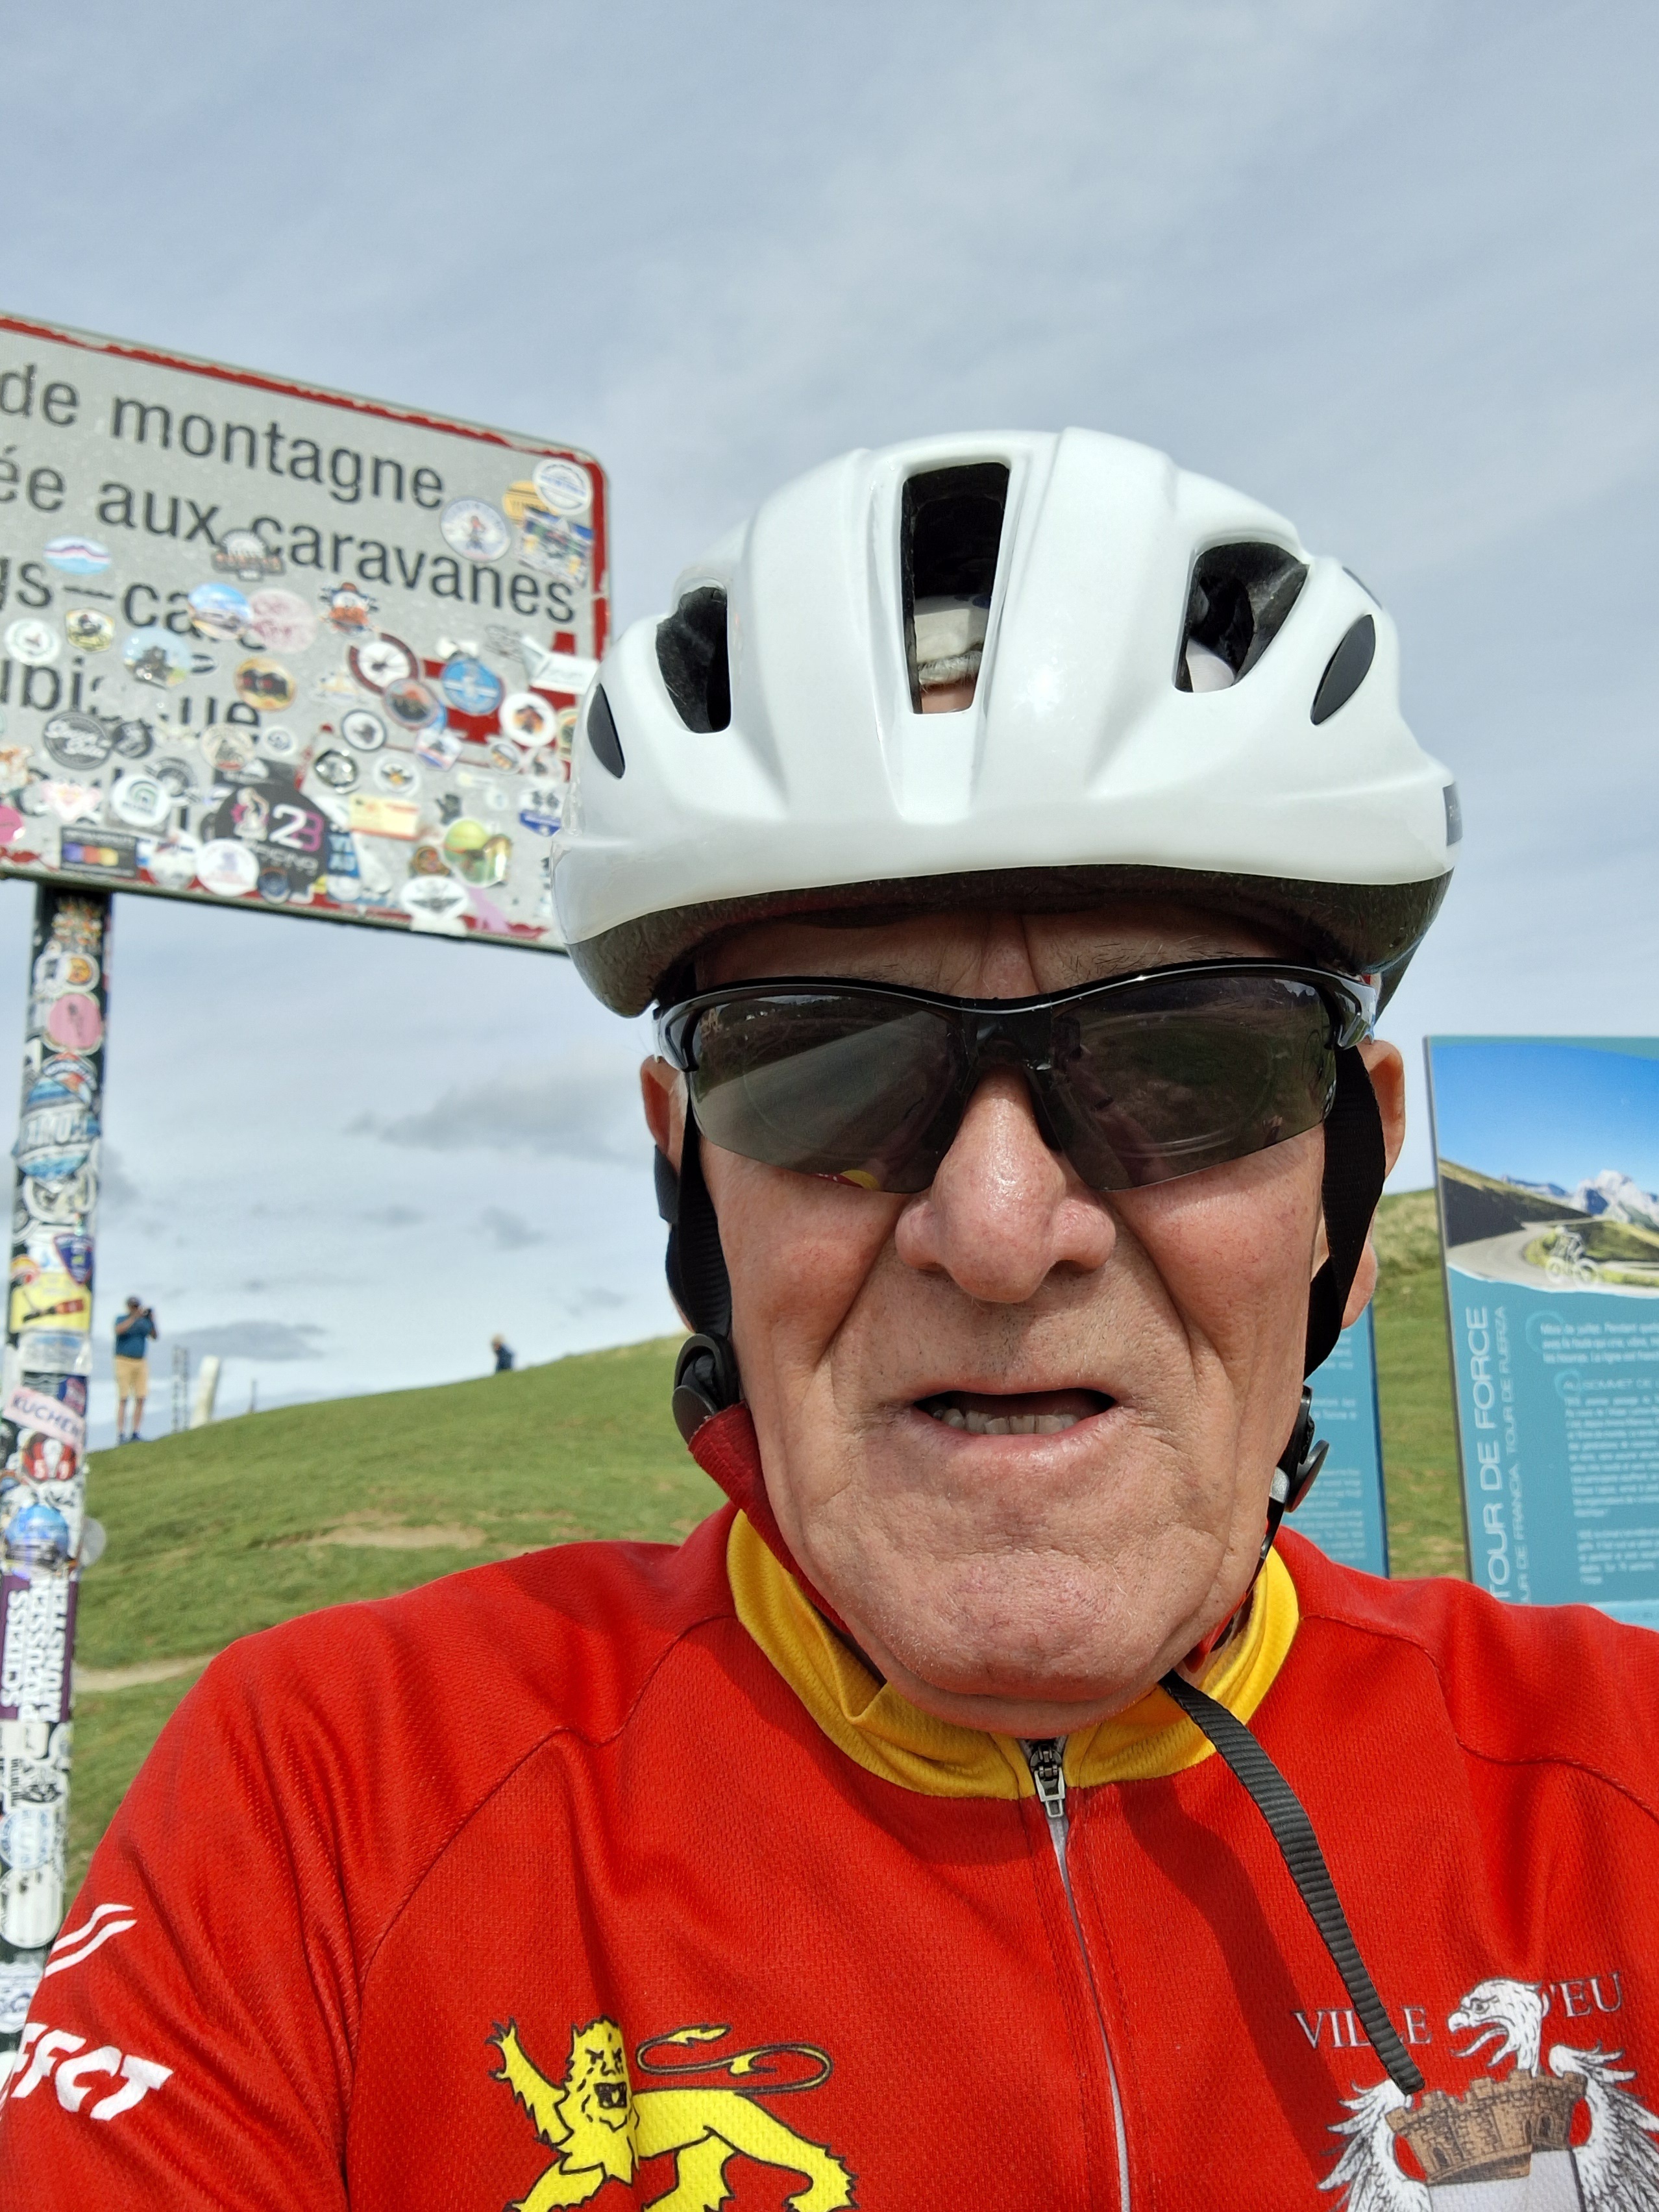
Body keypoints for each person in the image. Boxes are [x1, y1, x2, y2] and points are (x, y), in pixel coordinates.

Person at [5, 432, 1657, 2211]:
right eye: (825, 1071)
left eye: (1184, 1068)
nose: (999, 1232)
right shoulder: (333, 1793)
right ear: (690, 1185)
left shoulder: (1619, 1778)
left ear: (1343, 1185)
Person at [112, 1294, 158, 1445]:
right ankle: (121, 1434)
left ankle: (135, 1432)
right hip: (123, 1360)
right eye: (133, 1307)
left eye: (137, 1307)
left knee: (141, 1397)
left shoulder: (144, 1323)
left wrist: (152, 1320)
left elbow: (154, 1336)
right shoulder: (122, 1319)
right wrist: (134, 1318)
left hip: (140, 1361)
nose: (135, 1309)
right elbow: (118, 1330)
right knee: (123, 1397)